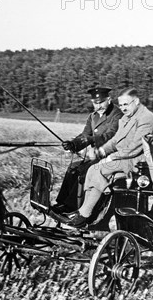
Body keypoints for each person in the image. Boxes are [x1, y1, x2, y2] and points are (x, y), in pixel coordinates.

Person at [64, 87, 153, 228]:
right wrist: (102, 151)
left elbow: (134, 148)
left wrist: (111, 158)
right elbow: (116, 140)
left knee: (100, 169)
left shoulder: (146, 119)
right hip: (127, 158)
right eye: (121, 105)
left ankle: (85, 214)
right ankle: (83, 212)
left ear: (136, 102)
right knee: (92, 170)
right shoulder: (127, 118)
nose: (123, 108)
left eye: (126, 104)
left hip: (141, 162)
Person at [51, 86, 123, 214]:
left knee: (84, 171)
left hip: (111, 156)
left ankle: (73, 207)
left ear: (109, 100)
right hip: (95, 156)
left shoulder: (117, 115)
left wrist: (91, 140)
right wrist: (73, 144)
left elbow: (110, 135)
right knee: (73, 168)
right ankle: (61, 203)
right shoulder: (93, 117)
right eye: (96, 103)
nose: (98, 106)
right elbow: (85, 135)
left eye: (101, 102)